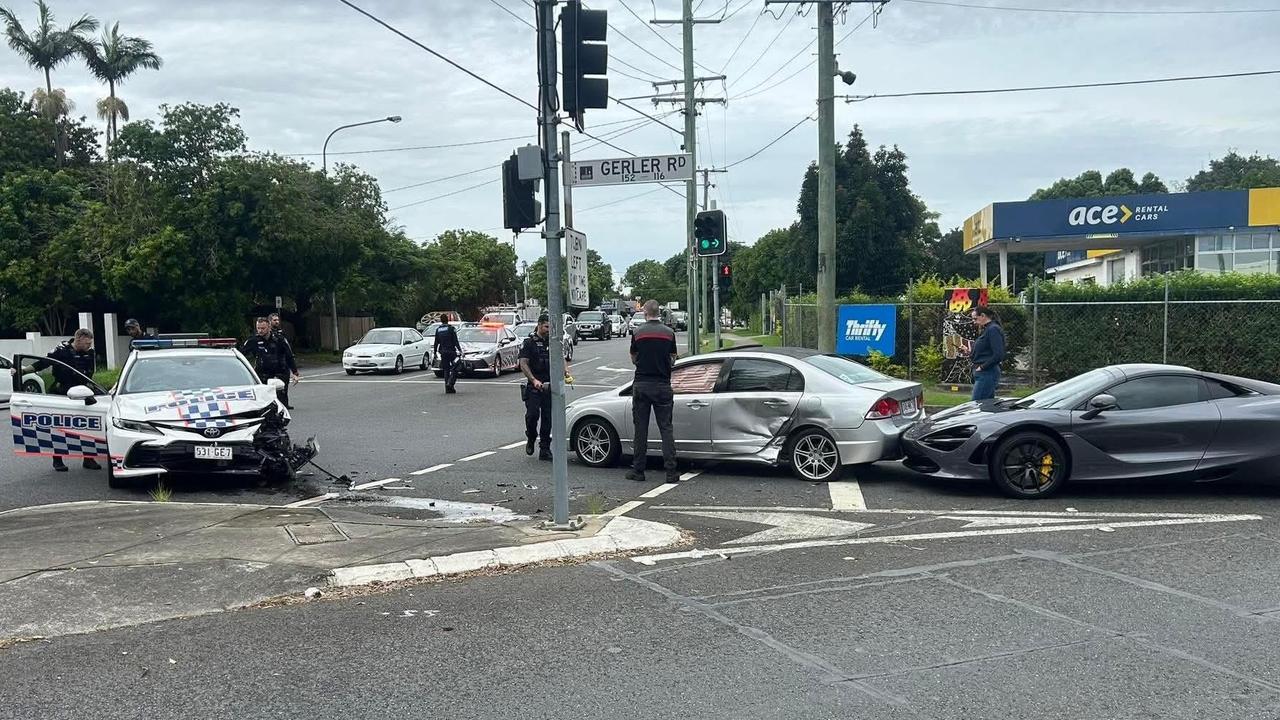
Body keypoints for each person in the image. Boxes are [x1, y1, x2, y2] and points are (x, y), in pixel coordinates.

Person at [31, 328, 100, 472]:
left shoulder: (90, 353)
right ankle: (58, 459)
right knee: (59, 427)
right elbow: (44, 362)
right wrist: (23, 370)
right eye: (87, 343)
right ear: (79, 339)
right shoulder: (61, 351)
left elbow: (90, 373)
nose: (89, 346)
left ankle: (88, 458)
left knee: (87, 427)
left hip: (82, 393)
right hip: (61, 393)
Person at [627, 300, 679, 483]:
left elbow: (633, 358)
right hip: (663, 385)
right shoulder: (669, 333)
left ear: (645, 313)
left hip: (642, 384)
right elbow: (673, 358)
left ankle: (639, 470)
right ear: (659, 313)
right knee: (666, 428)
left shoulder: (638, 333)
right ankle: (671, 472)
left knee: (640, 429)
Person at [518, 315, 556, 461]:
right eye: (546, 327)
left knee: (548, 418)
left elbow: (561, 358)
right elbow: (523, 363)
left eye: (550, 327)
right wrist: (533, 380)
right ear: (539, 325)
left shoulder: (552, 342)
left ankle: (545, 448)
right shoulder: (529, 343)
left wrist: (565, 372)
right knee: (532, 415)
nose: (548, 330)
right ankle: (531, 436)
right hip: (534, 386)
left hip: (549, 386)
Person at [242, 318, 300, 407]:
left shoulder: (279, 339)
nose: (260, 331)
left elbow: (289, 355)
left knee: (281, 401)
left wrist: (295, 372)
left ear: (269, 327)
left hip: (280, 371)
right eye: (258, 328)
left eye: (263, 328)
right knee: (263, 400)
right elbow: (241, 354)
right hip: (262, 373)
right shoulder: (253, 340)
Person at [970, 305, 1006, 401]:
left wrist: (982, 367)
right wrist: (968, 351)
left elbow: (998, 354)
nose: (974, 322)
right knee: (986, 405)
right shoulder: (987, 329)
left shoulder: (993, 329)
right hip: (982, 372)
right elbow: (985, 351)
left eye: (975, 319)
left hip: (987, 372)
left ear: (983, 316)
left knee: (976, 404)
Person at [434, 314, 462, 394]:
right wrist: (460, 350)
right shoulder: (451, 328)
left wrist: (435, 352)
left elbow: (436, 342)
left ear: (441, 320)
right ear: (447, 320)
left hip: (443, 352)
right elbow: (455, 341)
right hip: (451, 352)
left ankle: (447, 388)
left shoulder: (438, 330)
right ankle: (451, 382)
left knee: (446, 370)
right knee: (458, 365)